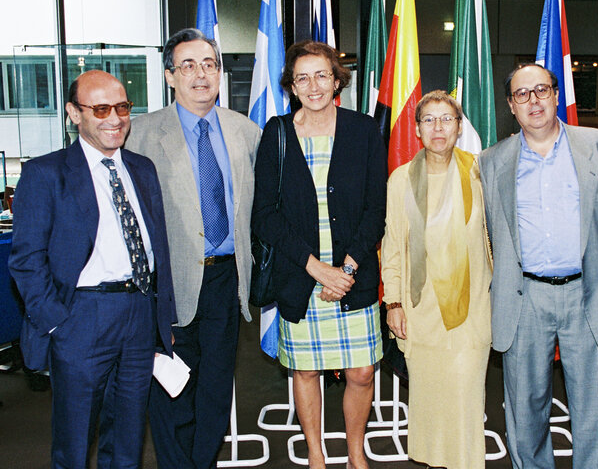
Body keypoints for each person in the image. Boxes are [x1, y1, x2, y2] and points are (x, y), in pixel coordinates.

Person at [9, 70, 175, 468]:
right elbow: (26, 260)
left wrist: (158, 316)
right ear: (73, 113)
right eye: (100, 108)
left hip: (138, 317)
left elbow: (157, 246)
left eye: (122, 107)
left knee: (129, 437)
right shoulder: (45, 174)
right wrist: (58, 324)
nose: (114, 118)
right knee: (75, 439)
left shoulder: (143, 168)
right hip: (80, 319)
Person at [480, 63, 598, 468]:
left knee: (593, 411)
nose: (533, 101)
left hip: (587, 292)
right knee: (525, 414)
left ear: (556, 95)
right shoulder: (492, 161)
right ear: (511, 105)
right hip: (523, 297)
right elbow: (494, 229)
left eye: (541, 90)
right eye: (522, 94)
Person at [125, 28, 260, 468]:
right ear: (170, 75)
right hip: (170, 283)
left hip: (226, 279)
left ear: (220, 74)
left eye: (209, 65)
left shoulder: (245, 131)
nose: (200, 75)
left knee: (216, 390)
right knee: (172, 388)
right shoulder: (140, 134)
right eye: (188, 65)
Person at [252, 40, 386, 469]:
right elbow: (265, 217)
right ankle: (315, 455)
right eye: (302, 78)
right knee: (306, 372)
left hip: (353, 274)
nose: (313, 86)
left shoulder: (363, 130)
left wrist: (344, 269)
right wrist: (317, 271)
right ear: (291, 85)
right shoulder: (276, 133)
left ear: (337, 80)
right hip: (301, 276)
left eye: (321, 75)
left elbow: (375, 209)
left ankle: (355, 454)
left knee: (362, 372)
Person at [381, 90, 492, 469]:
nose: (438, 127)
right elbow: (392, 245)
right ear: (417, 130)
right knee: (428, 409)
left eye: (447, 118)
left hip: (471, 311)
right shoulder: (400, 180)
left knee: (464, 403)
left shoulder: (481, 172)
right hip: (420, 313)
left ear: (460, 127)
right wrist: (393, 302)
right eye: (428, 119)